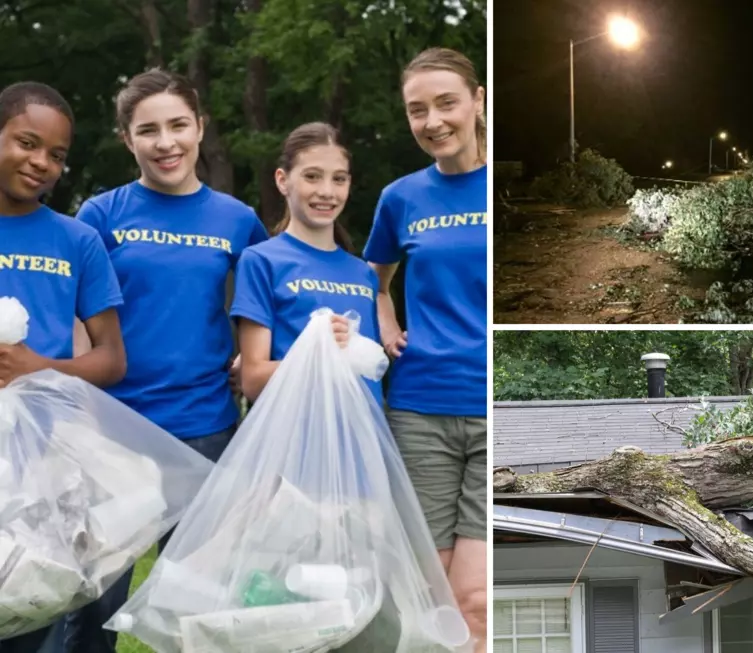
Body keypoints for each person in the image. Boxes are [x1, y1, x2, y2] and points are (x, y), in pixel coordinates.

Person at [66, 69, 267, 653]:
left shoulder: (236, 219)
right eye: (148, 130)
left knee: (199, 605)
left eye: (179, 125)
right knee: (94, 604)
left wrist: (249, 355)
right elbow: (76, 320)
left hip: (204, 431)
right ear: (128, 139)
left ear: (200, 128)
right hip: (113, 435)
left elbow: (268, 301)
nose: (166, 142)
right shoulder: (100, 216)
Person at [363, 47, 488, 651]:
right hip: (419, 409)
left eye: (446, 103)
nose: (433, 121)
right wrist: (386, 321)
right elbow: (374, 279)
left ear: (478, 101)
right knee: (428, 594)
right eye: (418, 111)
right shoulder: (401, 197)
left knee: (476, 598)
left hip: (495, 412)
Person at [0, 82, 126, 653]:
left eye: (56, 154)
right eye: (27, 143)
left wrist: (38, 367)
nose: (42, 163)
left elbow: (110, 359)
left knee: (27, 610)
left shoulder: (78, 240)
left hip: (41, 467)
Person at [231, 122, 376, 403]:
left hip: (363, 439)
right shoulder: (261, 261)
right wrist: (318, 352)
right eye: (312, 176)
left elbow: (371, 374)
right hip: (297, 439)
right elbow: (253, 380)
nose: (327, 191)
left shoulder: (363, 273)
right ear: (282, 180)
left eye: (339, 179)